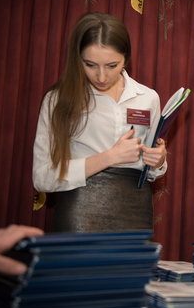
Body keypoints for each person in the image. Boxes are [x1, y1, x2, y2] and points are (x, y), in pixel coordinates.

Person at [33, 12, 167, 232]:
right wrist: (109, 157)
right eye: (90, 65)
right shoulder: (58, 99)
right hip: (80, 213)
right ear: (78, 58)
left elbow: (150, 169)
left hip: (135, 211)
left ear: (127, 58)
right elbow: (42, 177)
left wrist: (158, 160)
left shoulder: (148, 97)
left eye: (112, 65)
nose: (102, 77)